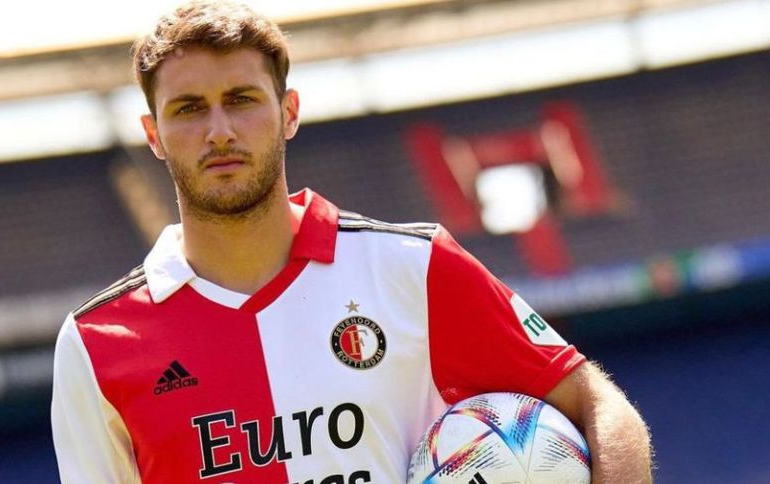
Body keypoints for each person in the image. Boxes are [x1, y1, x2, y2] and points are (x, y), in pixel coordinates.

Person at [51, 1, 653, 482]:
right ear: (154, 135)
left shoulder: (411, 267)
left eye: (241, 100)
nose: (220, 130)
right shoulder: (96, 346)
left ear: (288, 112)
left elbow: (597, 404)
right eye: (188, 109)